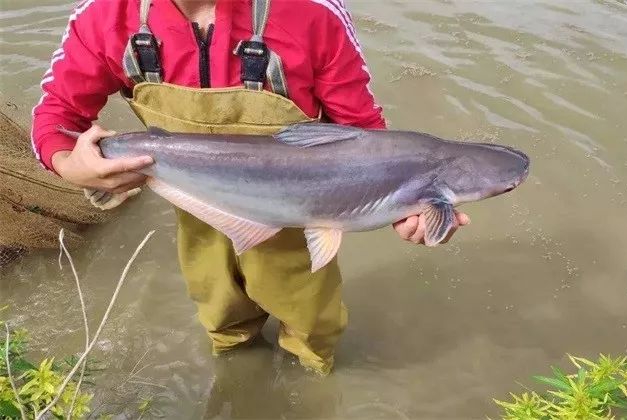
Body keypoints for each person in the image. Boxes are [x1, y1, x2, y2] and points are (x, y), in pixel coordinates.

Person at [31, 0, 470, 375]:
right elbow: (55, 116)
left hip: (300, 214)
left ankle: (310, 382)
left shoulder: (312, 13)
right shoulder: (106, 13)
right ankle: (239, 376)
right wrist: (71, 165)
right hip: (197, 208)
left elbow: (364, 136)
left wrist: (407, 211)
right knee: (220, 315)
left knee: (312, 327)